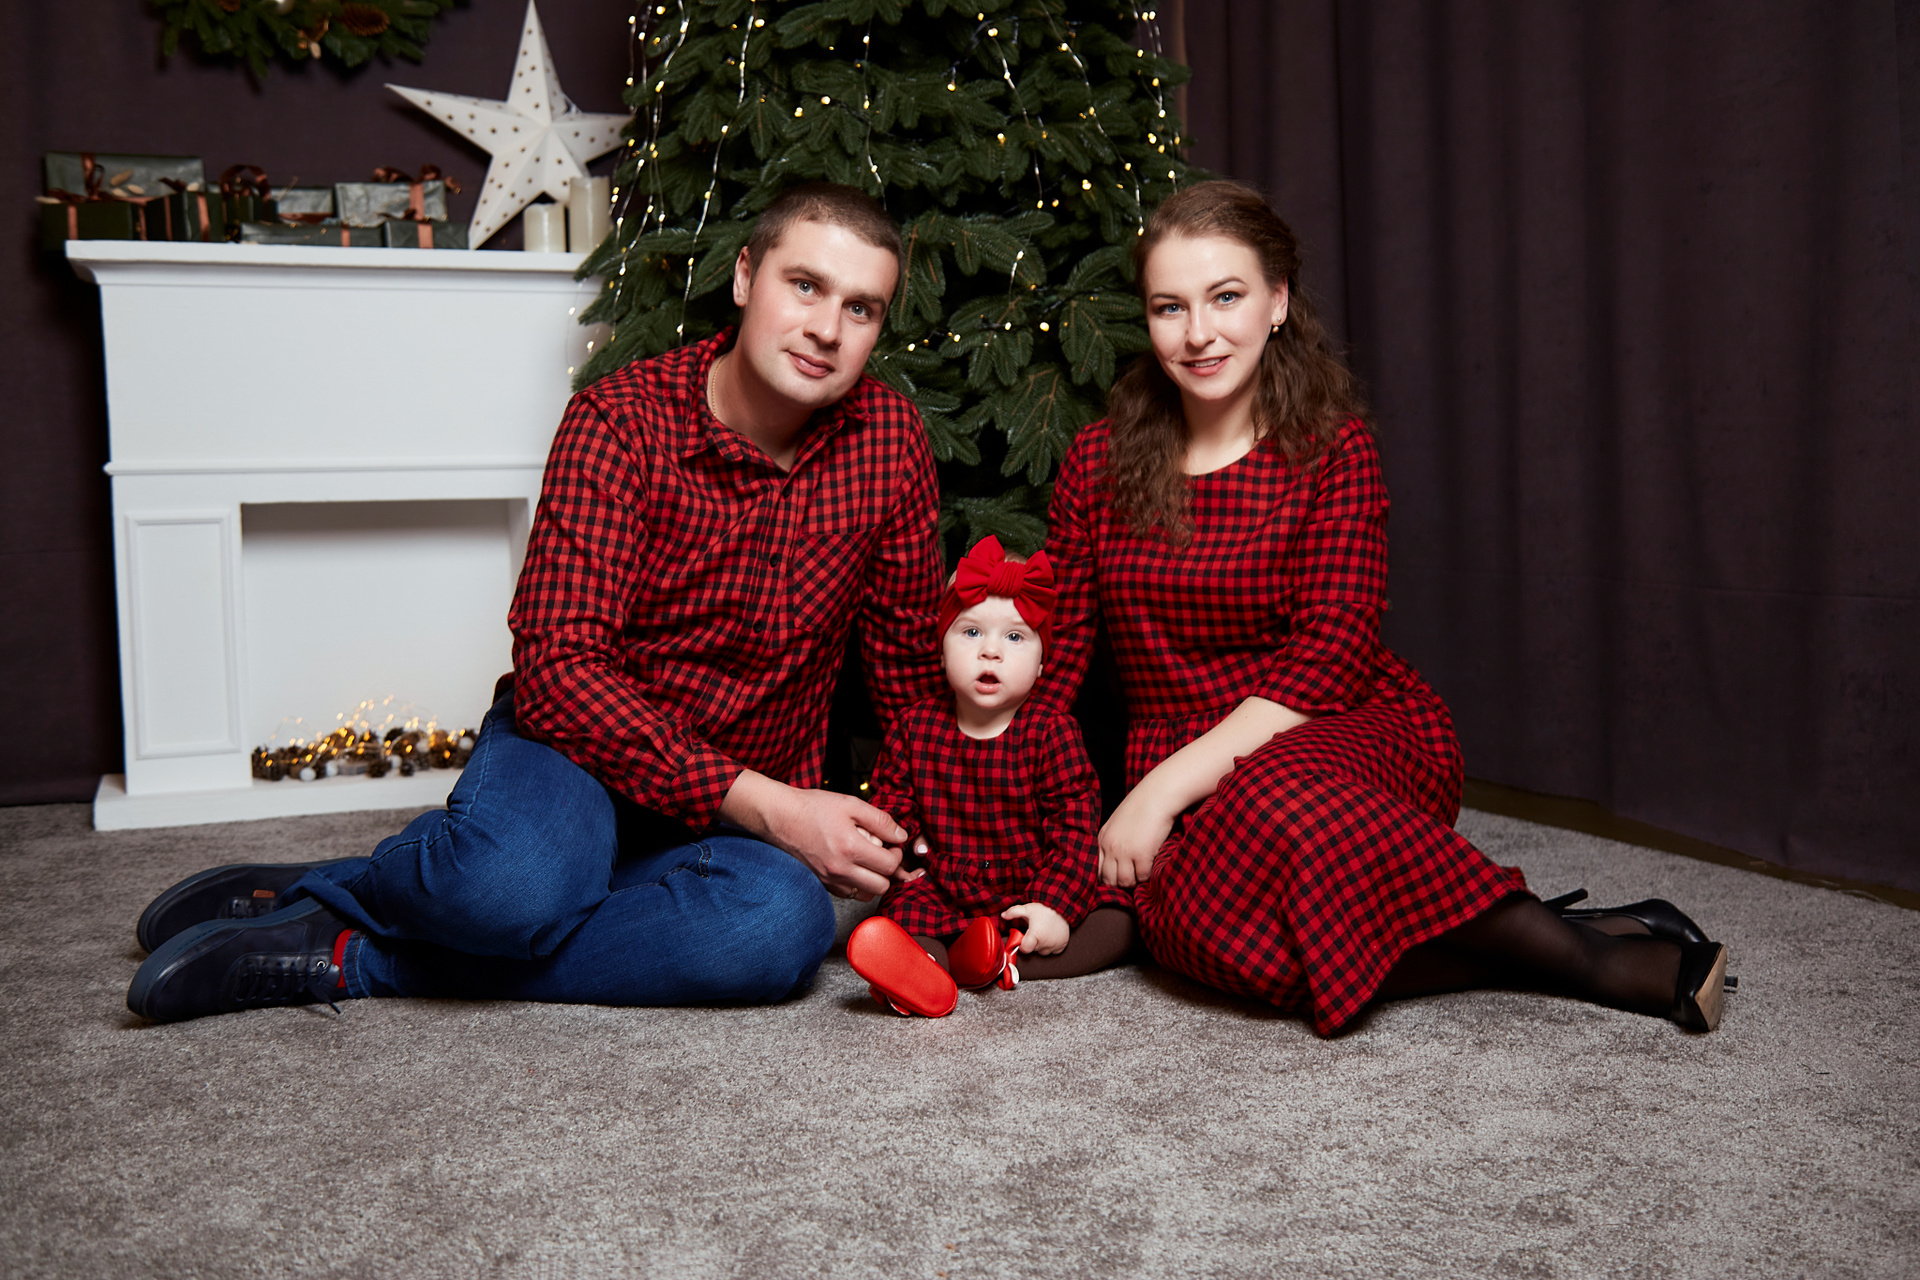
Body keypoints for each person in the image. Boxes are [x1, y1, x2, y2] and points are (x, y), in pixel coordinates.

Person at [127, 183, 947, 1022]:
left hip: (732, 818)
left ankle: (351, 946)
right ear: (744, 277)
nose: (826, 328)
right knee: (509, 887)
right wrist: (773, 807)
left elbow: (908, 675)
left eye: (861, 308)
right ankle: (375, 885)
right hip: (576, 760)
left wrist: (938, 834)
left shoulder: (889, 443)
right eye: (804, 286)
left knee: (777, 926)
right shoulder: (619, 421)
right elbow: (559, 670)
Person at [1036, 180, 1731, 1036]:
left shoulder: (1334, 448)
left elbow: (1328, 660)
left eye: (1226, 297)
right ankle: (1564, 932)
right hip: (1181, 758)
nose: (1199, 333)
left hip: (1344, 731)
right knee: (1194, 937)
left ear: (1278, 301)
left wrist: (1158, 792)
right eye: (1169, 308)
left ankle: (1598, 962)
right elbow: (1062, 653)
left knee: (1271, 798)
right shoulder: (1097, 460)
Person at [843, 536, 1136, 1017]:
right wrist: (888, 846)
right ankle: (925, 969)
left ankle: (1007, 957)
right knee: (905, 911)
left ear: (1041, 664)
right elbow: (893, 805)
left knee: (1117, 921)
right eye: (972, 632)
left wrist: (1053, 905)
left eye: (1015, 637)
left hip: (1029, 883)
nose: (991, 652)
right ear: (941, 651)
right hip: (944, 884)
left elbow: (1073, 832)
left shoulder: (1053, 732)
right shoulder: (914, 727)